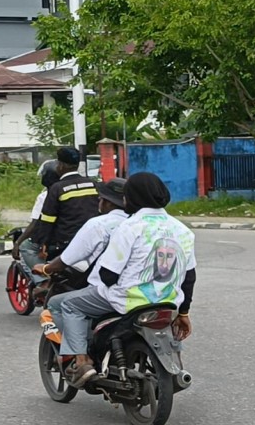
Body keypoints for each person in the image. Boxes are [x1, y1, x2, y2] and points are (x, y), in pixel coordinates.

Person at [52, 172, 196, 388]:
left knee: (68, 304)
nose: (124, 201)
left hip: (127, 300)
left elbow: (108, 275)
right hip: (168, 303)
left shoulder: (129, 227)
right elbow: (189, 277)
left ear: (134, 198)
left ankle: (82, 362)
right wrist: (183, 312)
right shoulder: (183, 230)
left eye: (127, 196)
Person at [31, 178, 129, 342]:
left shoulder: (98, 224)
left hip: (109, 290)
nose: (98, 201)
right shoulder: (139, 224)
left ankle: (79, 357)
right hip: (149, 293)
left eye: (101, 198)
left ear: (108, 203)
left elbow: (66, 259)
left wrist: (46, 269)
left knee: (59, 304)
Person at [32, 147, 99, 262]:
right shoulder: (93, 184)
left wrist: (42, 243)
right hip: (93, 239)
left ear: (61, 165)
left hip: (65, 242)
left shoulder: (56, 188)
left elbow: (47, 219)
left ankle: (42, 279)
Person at [11, 160, 61, 286]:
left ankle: (43, 280)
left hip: (53, 238)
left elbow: (35, 224)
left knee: (26, 247)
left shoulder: (44, 196)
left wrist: (18, 242)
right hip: (71, 233)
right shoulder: (68, 190)